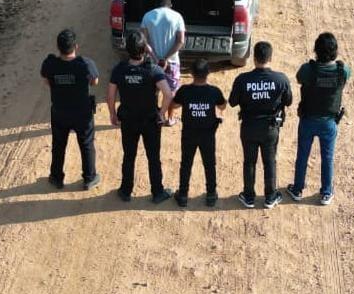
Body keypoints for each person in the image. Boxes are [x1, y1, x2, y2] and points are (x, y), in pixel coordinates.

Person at [107, 31, 175, 204]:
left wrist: (113, 114)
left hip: (128, 120)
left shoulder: (119, 69)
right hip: (150, 121)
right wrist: (161, 114)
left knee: (129, 155)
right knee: (153, 157)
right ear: (145, 49)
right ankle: (157, 192)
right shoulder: (153, 70)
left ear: (127, 49)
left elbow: (110, 96)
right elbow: (168, 94)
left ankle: (125, 190)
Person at [287, 32, 351, 206]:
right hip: (329, 122)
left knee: (302, 155)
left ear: (316, 50)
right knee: (327, 158)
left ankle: (297, 189)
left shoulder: (308, 70)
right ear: (335, 51)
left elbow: (299, 78)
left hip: (308, 119)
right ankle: (326, 192)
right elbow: (347, 77)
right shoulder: (342, 70)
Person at [228, 41, 292, 209]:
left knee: (249, 162)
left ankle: (248, 196)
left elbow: (232, 102)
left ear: (254, 58)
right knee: (269, 162)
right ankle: (270, 196)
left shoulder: (242, 79)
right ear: (270, 58)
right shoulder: (281, 79)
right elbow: (289, 101)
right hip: (270, 128)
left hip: (249, 127)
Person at [40, 28, 100, 190]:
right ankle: (89, 178)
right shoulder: (85, 64)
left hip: (60, 111)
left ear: (58, 48)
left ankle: (56, 177)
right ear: (76, 46)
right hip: (82, 112)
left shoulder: (50, 63)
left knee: (59, 144)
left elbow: (46, 81)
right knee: (86, 143)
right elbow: (95, 82)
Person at [168, 59, 227, 208]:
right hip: (208, 134)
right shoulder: (214, 91)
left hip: (189, 134)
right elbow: (223, 105)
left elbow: (174, 104)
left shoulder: (184, 91)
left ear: (192, 74)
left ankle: (182, 195)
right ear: (208, 73)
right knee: (209, 164)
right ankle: (211, 195)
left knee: (186, 164)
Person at [141, 0, 186, 92]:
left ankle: (155, 107)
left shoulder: (147, 16)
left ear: (157, 5)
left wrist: (156, 58)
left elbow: (143, 40)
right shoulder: (178, 17)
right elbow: (181, 41)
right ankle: (168, 108)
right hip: (172, 63)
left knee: (153, 91)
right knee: (172, 92)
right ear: (170, 5)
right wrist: (165, 59)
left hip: (153, 63)